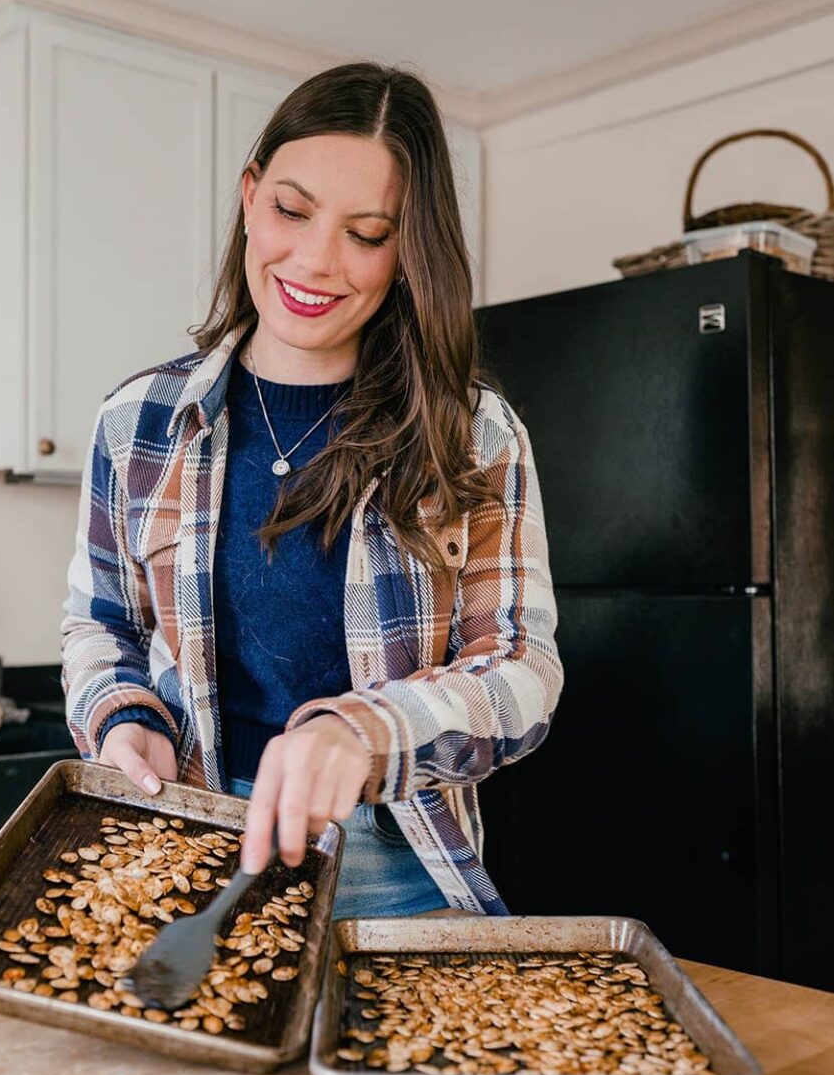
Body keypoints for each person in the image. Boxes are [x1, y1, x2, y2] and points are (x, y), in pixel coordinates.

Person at [61, 60, 563, 918]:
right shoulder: (136, 421)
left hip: (397, 872)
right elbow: (100, 625)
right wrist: (120, 717)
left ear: (407, 253)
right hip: (189, 844)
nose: (316, 260)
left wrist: (365, 731)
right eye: (292, 211)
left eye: (366, 233)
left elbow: (523, 672)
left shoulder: (473, 432)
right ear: (250, 197)